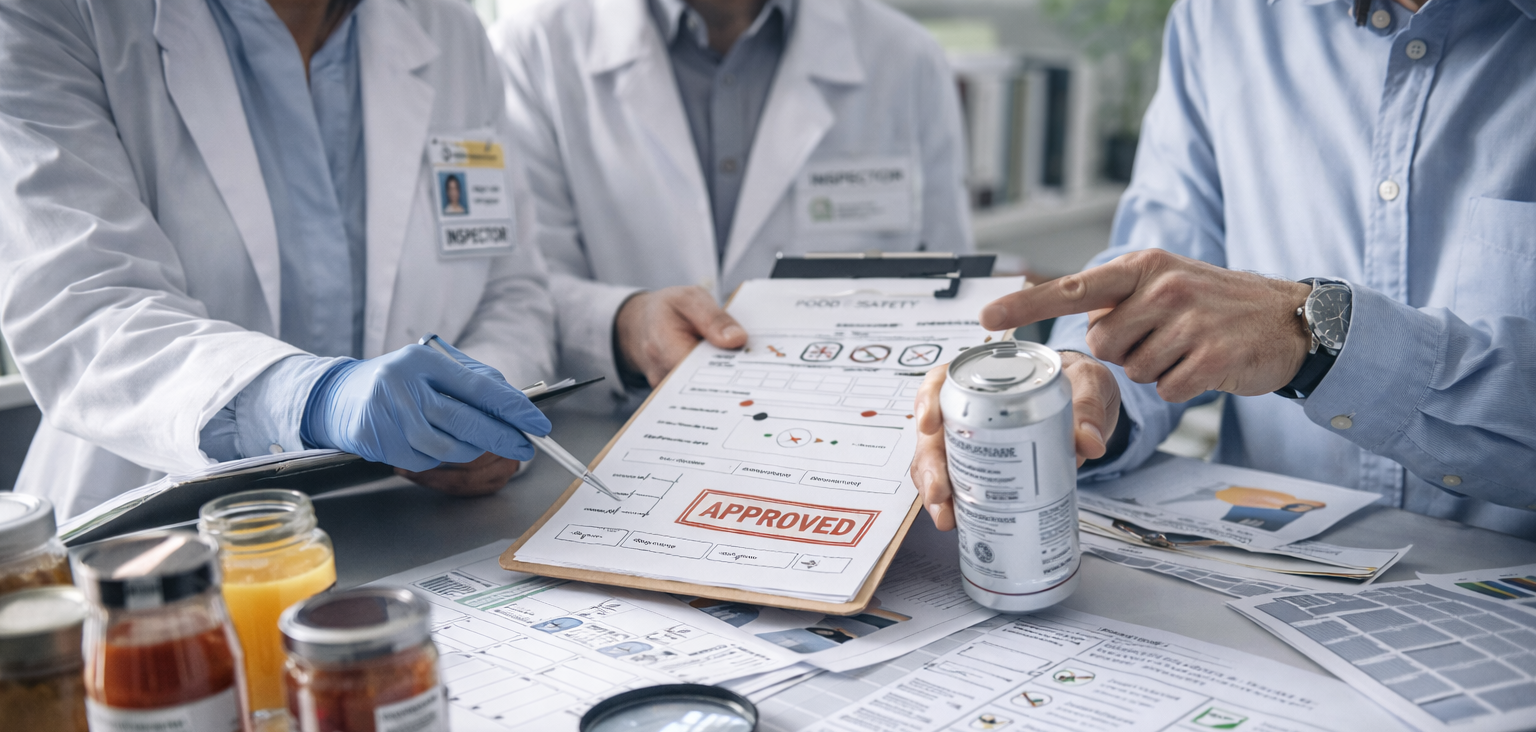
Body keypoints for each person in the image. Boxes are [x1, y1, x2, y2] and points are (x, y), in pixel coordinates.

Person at [912, 0, 1536, 540]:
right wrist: (1089, 386)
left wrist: (1319, 339)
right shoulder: (1221, 17)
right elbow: (1164, 259)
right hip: (1266, 575)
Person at [0, 0, 556, 517]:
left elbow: (510, 288)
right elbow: (83, 308)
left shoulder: (448, 28)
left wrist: (474, 416)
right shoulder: (55, 15)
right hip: (152, 533)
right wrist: (316, 399)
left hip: (409, 523)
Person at [488, 0, 972, 399]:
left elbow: (954, 286)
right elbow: (518, 285)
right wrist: (625, 324)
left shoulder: (906, 58)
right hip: (620, 438)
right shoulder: (533, 49)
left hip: (851, 435)